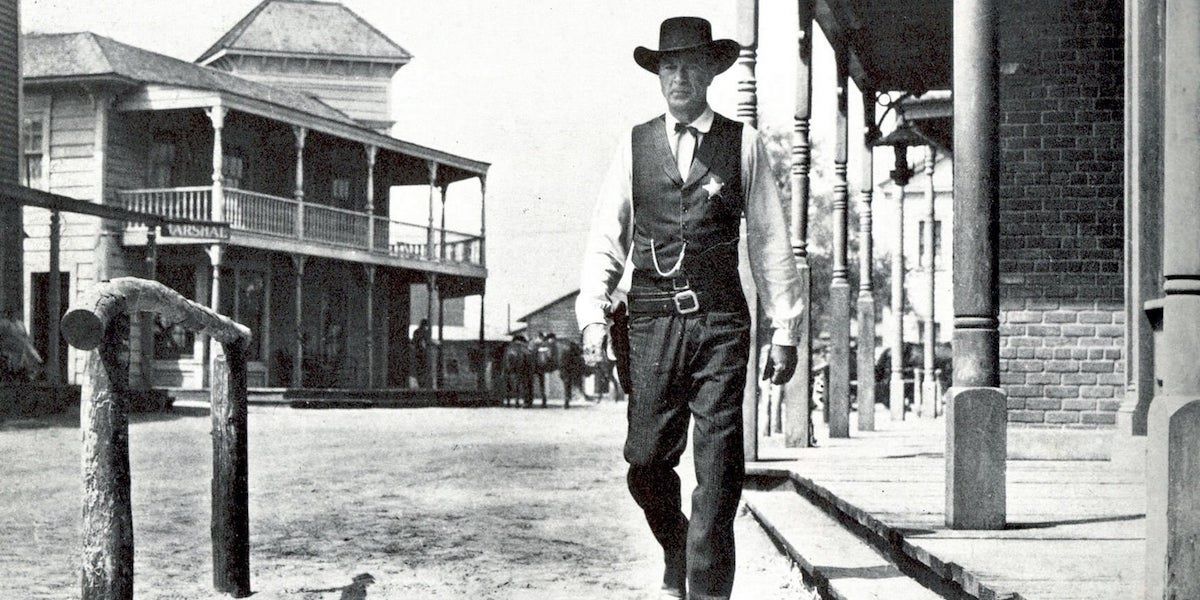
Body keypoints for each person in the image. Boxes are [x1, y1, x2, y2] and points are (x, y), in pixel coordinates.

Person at [576, 16, 804, 600]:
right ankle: (676, 544)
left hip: (722, 321)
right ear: (658, 74)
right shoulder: (634, 145)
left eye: (691, 65)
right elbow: (608, 235)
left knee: (720, 465)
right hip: (651, 320)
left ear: (711, 72)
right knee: (647, 461)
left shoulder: (743, 144)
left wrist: (785, 328)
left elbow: (772, 240)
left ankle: (706, 591)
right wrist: (593, 318)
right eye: (669, 66)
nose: (679, 77)